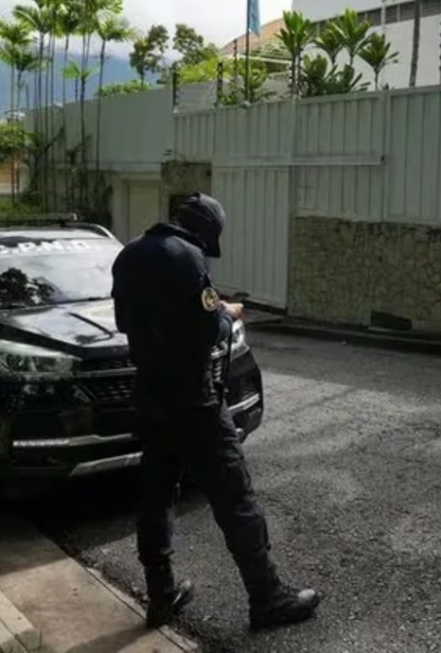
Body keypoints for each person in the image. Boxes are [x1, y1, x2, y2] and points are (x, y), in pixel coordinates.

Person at [111, 192, 320, 632]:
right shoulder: (188, 257)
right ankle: (267, 598)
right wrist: (226, 314)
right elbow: (208, 329)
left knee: (155, 498)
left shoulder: (128, 255)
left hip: (150, 398)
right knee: (235, 497)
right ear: (207, 231)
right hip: (195, 402)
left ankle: (161, 595)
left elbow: (125, 323)